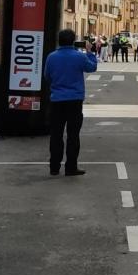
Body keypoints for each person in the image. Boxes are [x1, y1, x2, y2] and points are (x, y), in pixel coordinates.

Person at [43, 30, 97, 177]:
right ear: (73, 41)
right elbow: (92, 67)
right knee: (73, 135)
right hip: (74, 100)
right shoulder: (79, 57)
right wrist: (90, 52)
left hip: (56, 100)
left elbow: (47, 76)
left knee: (56, 135)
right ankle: (71, 167)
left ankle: (54, 167)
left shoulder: (51, 57)